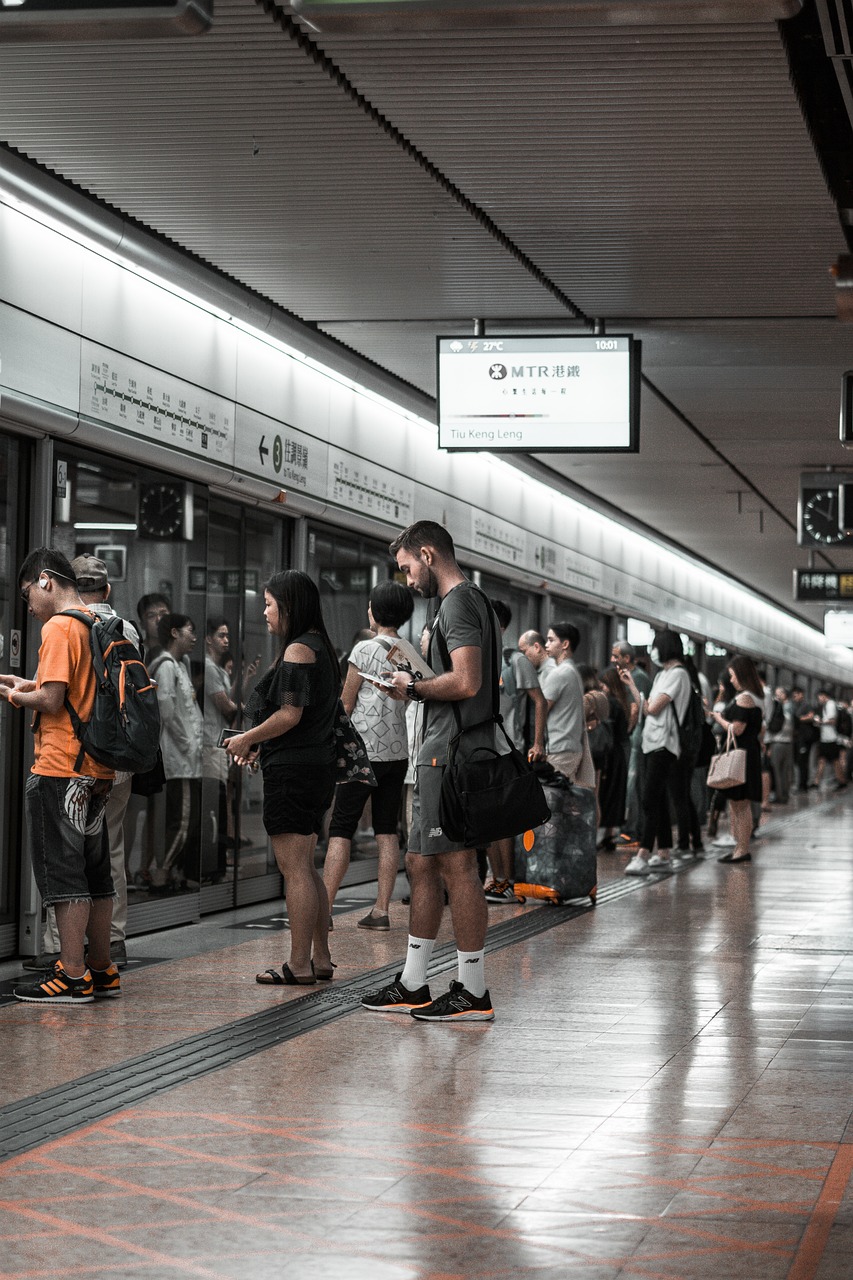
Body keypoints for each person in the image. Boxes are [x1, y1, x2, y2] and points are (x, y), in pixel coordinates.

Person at [361, 520, 499, 1022]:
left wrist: (413, 688)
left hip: (451, 751)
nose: (406, 579)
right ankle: (414, 981)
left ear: (427, 553)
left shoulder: (460, 602)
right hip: (437, 748)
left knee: (457, 868)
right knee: (421, 862)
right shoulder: (461, 603)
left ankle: (473, 988)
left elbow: (466, 682)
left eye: (407, 567)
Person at [1, 548, 120, 1003]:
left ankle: (72, 976)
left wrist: (13, 697)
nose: (29, 605)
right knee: (96, 873)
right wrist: (22, 683)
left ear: (46, 581)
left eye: (29, 592)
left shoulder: (58, 626)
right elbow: (76, 691)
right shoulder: (95, 623)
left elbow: (52, 701)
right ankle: (101, 969)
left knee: (64, 874)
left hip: (60, 767)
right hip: (96, 767)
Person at [225, 570, 339, 986]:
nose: (265, 611)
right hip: (315, 767)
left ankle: (299, 964)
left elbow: (290, 714)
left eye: (270, 604)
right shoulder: (320, 646)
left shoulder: (297, 651)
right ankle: (322, 959)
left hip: (294, 770)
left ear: (288, 607)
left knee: (294, 869)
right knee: (307, 867)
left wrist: (247, 739)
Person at [323, 580, 414, 930]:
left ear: (374, 611)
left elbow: (346, 702)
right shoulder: (407, 652)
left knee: (342, 828)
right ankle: (381, 910)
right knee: (387, 830)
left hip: (361, 753)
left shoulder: (363, 649)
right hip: (397, 754)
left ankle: (325, 909)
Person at [482, 601, 546, 904]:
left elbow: (539, 700)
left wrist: (537, 742)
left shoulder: (515, 660)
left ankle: (507, 881)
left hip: (508, 748)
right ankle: (497, 879)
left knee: (502, 819)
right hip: (481, 747)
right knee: (489, 819)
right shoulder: (476, 656)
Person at [620, 629, 691, 875]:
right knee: (657, 797)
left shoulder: (678, 674)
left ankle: (643, 853)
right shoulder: (663, 674)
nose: (653, 652)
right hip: (653, 741)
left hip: (665, 743)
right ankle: (664, 853)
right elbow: (647, 707)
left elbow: (652, 707)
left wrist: (639, 695)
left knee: (649, 797)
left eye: (655, 646)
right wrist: (632, 686)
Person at [148, 613, 204, 890]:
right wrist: (188, 744)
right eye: (189, 630)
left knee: (187, 819)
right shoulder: (167, 667)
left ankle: (172, 873)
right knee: (183, 821)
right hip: (178, 758)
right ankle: (162, 871)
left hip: (188, 757)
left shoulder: (180, 664)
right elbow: (167, 712)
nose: (194, 637)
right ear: (174, 633)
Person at [709, 653, 765, 864]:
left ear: (741, 675)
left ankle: (742, 849)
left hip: (740, 757)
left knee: (740, 806)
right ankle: (740, 848)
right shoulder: (752, 697)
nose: (731, 680)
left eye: (732, 675)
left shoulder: (744, 698)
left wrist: (720, 719)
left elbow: (737, 729)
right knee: (739, 805)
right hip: (747, 755)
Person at [610, 641, 652, 848]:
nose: (612, 660)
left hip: (636, 738)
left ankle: (632, 830)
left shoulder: (639, 679)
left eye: (616, 656)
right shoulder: (630, 677)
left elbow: (636, 708)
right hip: (633, 737)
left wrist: (626, 731)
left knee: (633, 783)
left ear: (627, 658)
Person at [540, 623, 589, 785]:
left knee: (555, 802)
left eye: (551, 640)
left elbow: (542, 709)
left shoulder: (559, 674)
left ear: (565, 644)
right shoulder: (572, 671)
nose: (546, 645)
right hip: (570, 747)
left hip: (559, 748)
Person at [597, 665, 633, 849]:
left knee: (605, 793)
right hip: (619, 753)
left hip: (609, 753)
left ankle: (601, 834)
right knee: (615, 793)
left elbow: (606, 730)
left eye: (602, 684)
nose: (600, 688)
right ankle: (610, 834)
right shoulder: (622, 702)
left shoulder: (609, 703)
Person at [813, 689, 847, 790]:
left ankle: (841, 781)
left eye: (819, 697)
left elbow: (832, 720)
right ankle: (817, 782)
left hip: (830, 738)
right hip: (826, 738)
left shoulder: (830, 704)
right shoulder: (828, 705)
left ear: (824, 696)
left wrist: (820, 721)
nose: (818, 699)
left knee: (834, 760)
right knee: (822, 759)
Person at [766, 685, 794, 804]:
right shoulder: (790, 710)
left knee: (776, 770)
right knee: (785, 770)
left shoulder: (778, 710)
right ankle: (785, 794)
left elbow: (771, 727)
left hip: (777, 743)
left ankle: (779, 796)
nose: (776, 697)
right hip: (788, 743)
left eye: (778, 694)